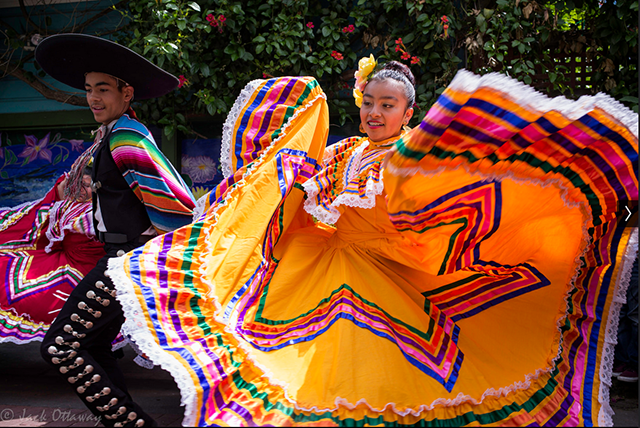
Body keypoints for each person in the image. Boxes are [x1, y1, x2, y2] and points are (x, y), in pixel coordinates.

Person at [108, 58, 638, 427]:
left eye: (388, 104)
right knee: (302, 369)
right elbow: (306, 187)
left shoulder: (413, 155)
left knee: (386, 381)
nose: (375, 113)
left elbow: (435, 200)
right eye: (369, 103)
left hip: (388, 272)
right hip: (319, 265)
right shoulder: (345, 150)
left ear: (409, 112)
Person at [34, 34, 196, 427]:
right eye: (89, 88)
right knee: (92, 345)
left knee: (61, 346)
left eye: (103, 89)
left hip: (125, 261)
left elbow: (176, 207)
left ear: (127, 94)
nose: (93, 98)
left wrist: (149, 256)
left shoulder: (125, 138)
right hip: (118, 258)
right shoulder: (112, 135)